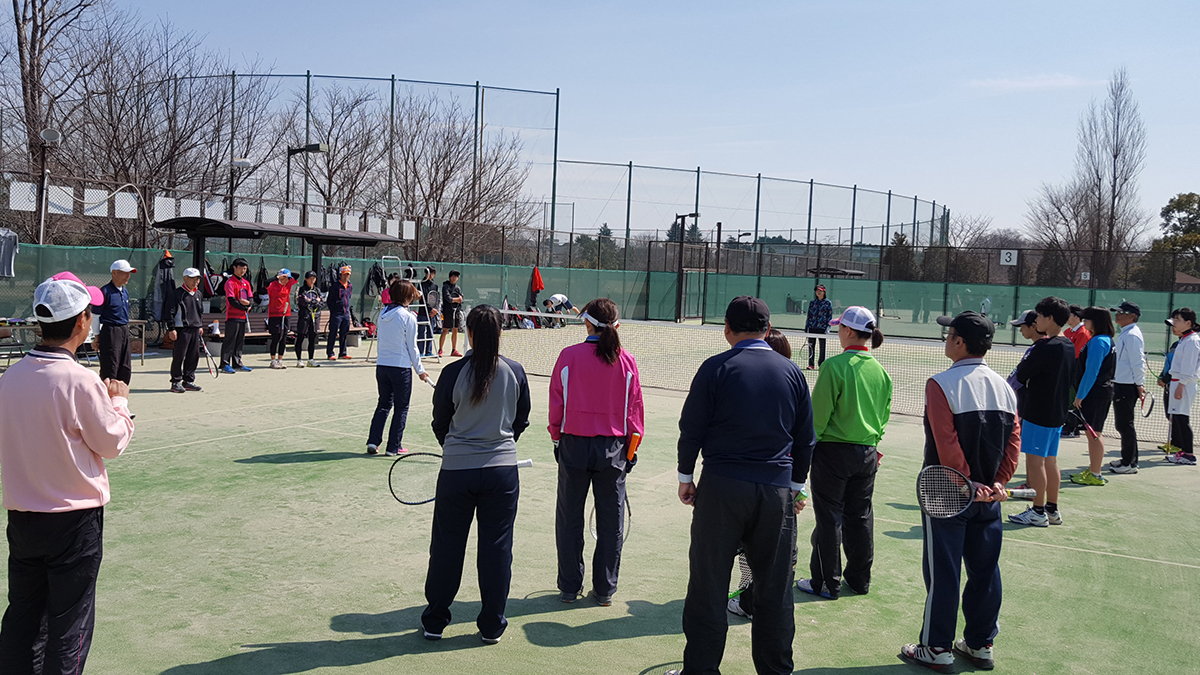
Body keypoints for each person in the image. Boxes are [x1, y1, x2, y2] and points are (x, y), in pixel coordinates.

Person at [668, 296, 816, 675]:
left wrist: (686, 477)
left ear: (727, 330)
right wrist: (795, 487)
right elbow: (805, 439)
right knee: (775, 591)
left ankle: (700, 671)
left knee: (708, 585)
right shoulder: (792, 372)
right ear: (768, 330)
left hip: (722, 487)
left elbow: (692, 428)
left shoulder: (715, 367)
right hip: (775, 492)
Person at [0, 275, 134, 673]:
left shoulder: (10, 378)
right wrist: (120, 404)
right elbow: (111, 442)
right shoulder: (80, 380)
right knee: (68, 623)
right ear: (81, 322)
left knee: (24, 615)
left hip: (23, 516)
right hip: (73, 521)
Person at [899, 311, 1020, 673]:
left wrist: (968, 483)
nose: (946, 340)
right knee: (985, 570)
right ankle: (981, 644)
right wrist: (998, 482)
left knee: (944, 572)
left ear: (960, 342)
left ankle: (936, 648)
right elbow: (1014, 440)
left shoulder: (940, 383)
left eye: (949, 334)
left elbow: (946, 442)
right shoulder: (1005, 387)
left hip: (946, 494)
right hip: (987, 497)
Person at [424, 305, 531, 645]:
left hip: (457, 471)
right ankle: (491, 625)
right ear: (501, 333)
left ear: (468, 332)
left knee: (446, 547)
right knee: (497, 549)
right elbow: (521, 420)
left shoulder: (453, 372)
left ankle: (436, 621)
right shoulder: (515, 370)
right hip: (501, 473)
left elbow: (440, 419)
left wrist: (455, 446)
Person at [549, 298, 644, 607]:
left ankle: (568, 587)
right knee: (610, 521)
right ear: (616, 325)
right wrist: (631, 450)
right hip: (613, 450)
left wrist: (556, 440)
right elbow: (635, 416)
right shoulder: (627, 361)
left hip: (573, 446)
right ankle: (604, 590)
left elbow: (556, 406)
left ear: (587, 323)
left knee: (569, 519)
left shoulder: (568, 356)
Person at [797, 307, 892, 601]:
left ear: (849, 331)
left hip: (833, 454)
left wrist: (804, 452)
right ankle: (860, 579)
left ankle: (826, 582)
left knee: (829, 518)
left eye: (839, 327)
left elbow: (817, 419)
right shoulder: (881, 372)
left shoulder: (833, 367)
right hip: (867, 453)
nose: (837, 332)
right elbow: (883, 417)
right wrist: (874, 445)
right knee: (861, 517)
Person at [728, 327, 796, 621]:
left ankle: (749, 601)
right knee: (778, 550)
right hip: (782, 487)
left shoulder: (748, 384)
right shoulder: (793, 382)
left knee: (752, 549)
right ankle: (755, 599)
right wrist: (799, 488)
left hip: (756, 484)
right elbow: (804, 440)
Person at [1008, 297, 1074, 527]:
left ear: (1050, 318)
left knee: (1035, 463)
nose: (1037, 320)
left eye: (1040, 316)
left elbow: (1023, 374)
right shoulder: (1068, 345)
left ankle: (1037, 511)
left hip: (1039, 413)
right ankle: (1052, 510)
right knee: (1050, 461)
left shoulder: (1045, 347)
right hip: (1057, 414)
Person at [368, 280, 429, 456]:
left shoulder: (382, 314)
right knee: (401, 407)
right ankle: (393, 447)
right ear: (407, 297)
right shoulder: (409, 317)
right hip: (400, 369)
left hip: (382, 367)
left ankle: (373, 441)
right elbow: (413, 347)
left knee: (383, 404)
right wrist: (420, 370)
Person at [1068, 307, 1117, 486]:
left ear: (1095, 321)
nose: (1084, 322)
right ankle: (1094, 469)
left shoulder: (1099, 342)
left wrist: (1080, 396)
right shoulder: (1102, 340)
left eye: (1086, 319)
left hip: (1096, 393)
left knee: (1094, 433)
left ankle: (1096, 474)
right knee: (1093, 433)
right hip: (1099, 392)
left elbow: (1091, 372)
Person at [1106, 302, 1146, 475]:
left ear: (1132, 316)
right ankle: (1126, 459)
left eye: (1121, 313)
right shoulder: (1126, 333)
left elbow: (1138, 363)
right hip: (1121, 383)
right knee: (1122, 424)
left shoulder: (1132, 336)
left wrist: (1140, 385)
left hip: (1127, 385)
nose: (1117, 315)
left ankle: (1130, 463)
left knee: (1125, 424)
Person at [94, 259, 137, 384]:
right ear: (114, 273)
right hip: (110, 331)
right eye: (125, 272)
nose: (128, 276)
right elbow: (96, 316)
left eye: (129, 273)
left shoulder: (125, 291)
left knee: (125, 365)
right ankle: (107, 394)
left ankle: (121, 391)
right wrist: (97, 337)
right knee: (111, 364)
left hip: (124, 330)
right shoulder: (105, 291)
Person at [1165, 308, 1200, 466]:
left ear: (1188, 323)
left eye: (1177, 320)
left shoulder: (1192, 341)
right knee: (1177, 419)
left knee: (1182, 419)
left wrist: (1181, 386)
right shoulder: (1184, 339)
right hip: (1178, 382)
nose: (1174, 324)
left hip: (1183, 384)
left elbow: (1189, 367)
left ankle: (1189, 455)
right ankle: (1184, 451)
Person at [164, 267, 206, 393]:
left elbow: (200, 312)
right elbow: (169, 312)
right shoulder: (177, 294)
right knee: (179, 356)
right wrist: (171, 329)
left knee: (194, 356)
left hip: (195, 330)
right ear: (185, 279)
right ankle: (176, 382)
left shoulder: (198, 294)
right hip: (181, 330)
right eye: (192, 279)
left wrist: (200, 325)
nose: (195, 281)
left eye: (197, 279)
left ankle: (188, 380)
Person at [1060, 305, 1091, 438]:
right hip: (1067, 370)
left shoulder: (1083, 333)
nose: (1067, 318)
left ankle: (1073, 427)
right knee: (1066, 397)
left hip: (1077, 371)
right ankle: (1066, 425)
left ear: (1077, 317)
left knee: (1073, 398)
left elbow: (1076, 354)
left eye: (1069, 315)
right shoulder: (1067, 332)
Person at [1006, 309, 1043, 420]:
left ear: (1033, 326)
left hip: (1031, 408)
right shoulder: (1036, 347)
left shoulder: (1039, 348)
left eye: (1022, 326)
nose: (1021, 330)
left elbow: (1018, 378)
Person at [221, 257, 253, 373]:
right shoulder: (230, 282)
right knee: (230, 340)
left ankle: (237, 363)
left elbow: (251, 298)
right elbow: (231, 300)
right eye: (240, 268)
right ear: (234, 268)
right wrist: (244, 306)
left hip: (244, 317)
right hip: (232, 317)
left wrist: (249, 304)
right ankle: (225, 364)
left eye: (245, 269)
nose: (243, 271)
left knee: (240, 341)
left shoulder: (246, 283)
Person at [267, 268, 300, 370]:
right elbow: (265, 283)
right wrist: (278, 277)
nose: (286, 280)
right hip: (274, 315)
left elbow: (297, 275)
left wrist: (287, 274)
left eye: (287, 278)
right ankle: (273, 361)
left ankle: (280, 360)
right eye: (283, 278)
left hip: (286, 314)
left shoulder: (288, 284)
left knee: (284, 336)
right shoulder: (272, 285)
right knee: (276, 337)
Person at [295, 271, 323, 368]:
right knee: (301, 337)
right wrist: (315, 301)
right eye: (310, 278)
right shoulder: (302, 290)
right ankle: (299, 360)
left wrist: (313, 301)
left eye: (314, 278)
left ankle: (311, 360)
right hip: (304, 316)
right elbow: (303, 302)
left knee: (312, 338)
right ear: (306, 279)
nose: (312, 280)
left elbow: (322, 302)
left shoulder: (317, 290)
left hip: (315, 317)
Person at [326, 264, 353, 361]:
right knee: (333, 333)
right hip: (336, 314)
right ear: (340, 275)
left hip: (346, 314)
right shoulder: (335, 286)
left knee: (344, 333)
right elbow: (329, 300)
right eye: (344, 274)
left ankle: (343, 353)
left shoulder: (350, 286)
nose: (346, 276)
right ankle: (330, 353)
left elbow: (348, 298)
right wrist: (334, 310)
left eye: (348, 274)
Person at [1157, 339, 1180, 454]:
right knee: (1169, 414)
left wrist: (1166, 379)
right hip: (1169, 386)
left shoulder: (1188, 344)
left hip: (1177, 386)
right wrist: (1162, 376)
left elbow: (1179, 367)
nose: (1174, 326)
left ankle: (1178, 444)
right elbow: (1169, 363)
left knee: (1177, 416)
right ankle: (1173, 441)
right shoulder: (1175, 344)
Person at [805, 284, 833, 370]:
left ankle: (821, 364)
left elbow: (829, 315)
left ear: (824, 292)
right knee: (811, 346)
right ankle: (811, 364)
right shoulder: (812, 303)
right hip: (812, 327)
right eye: (817, 291)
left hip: (822, 328)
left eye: (820, 291)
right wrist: (807, 326)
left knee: (822, 347)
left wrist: (828, 327)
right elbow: (809, 315)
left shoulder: (828, 303)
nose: (818, 292)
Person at [439, 270, 465, 357]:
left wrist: (459, 300)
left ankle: (454, 350)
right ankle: (440, 350)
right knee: (445, 330)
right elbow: (448, 299)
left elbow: (462, 299)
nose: (454, 278)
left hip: (456, 311)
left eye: (456, 276)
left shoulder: (458, 288)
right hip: (448, 311)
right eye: (453, 276)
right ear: (450, 277)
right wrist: (457, 299)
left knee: (455, 330)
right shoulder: (445, 287)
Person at [418, 266, 438, 357]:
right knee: (421, 332)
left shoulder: (435, 285)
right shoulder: (421, 284)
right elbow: (422, 299)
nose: (431, 275)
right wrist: (431, 309)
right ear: (426, 273)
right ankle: (420, 352)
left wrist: (436, 309)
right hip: (423, 312)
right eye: (429, 273)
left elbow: (437, 298)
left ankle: (428, 351)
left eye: (433, 273)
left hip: (432, 314)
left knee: (430, 332)